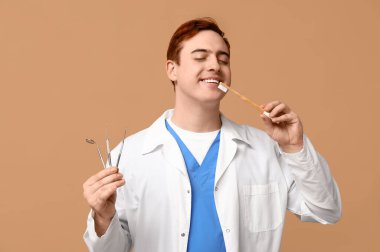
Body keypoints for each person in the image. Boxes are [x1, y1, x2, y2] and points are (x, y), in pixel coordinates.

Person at [83, 17, 341, 252]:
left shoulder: (265, 149)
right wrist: (103, 218)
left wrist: (295, 146)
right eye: (200, 57)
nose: (215, 65)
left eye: (223, 59)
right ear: (172, 70)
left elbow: (326, 210)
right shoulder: (129, 156)